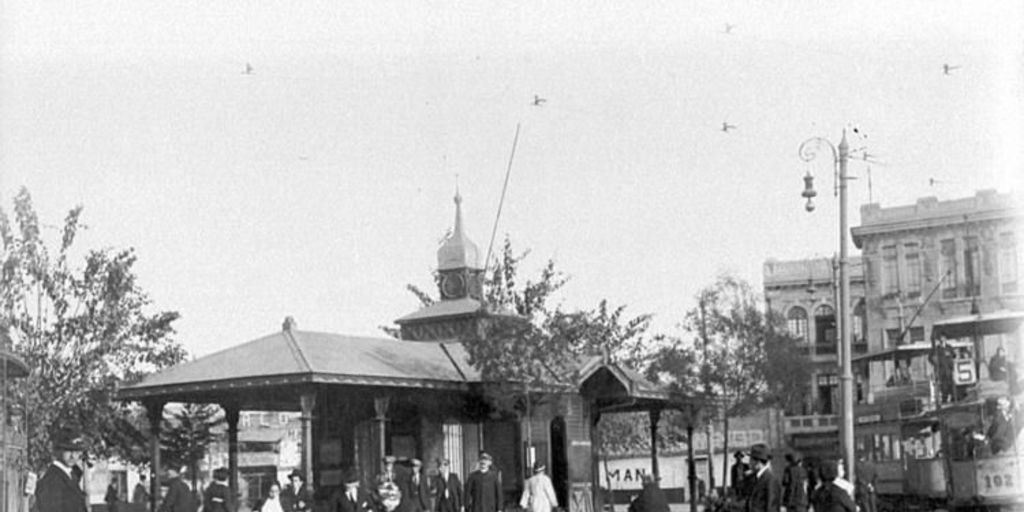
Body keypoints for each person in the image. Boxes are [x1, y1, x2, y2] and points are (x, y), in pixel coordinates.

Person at [35, 434, 88, 512]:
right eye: (68, 451)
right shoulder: (52, 479)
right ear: (58, 451)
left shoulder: (71, 475)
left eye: (76, 452)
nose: (72, 456)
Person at [744, 444, 781, 512]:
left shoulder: (770, 480)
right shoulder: (754, 478)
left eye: (751, 459)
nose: (749, 462)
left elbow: (772, 508)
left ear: (758, 462)